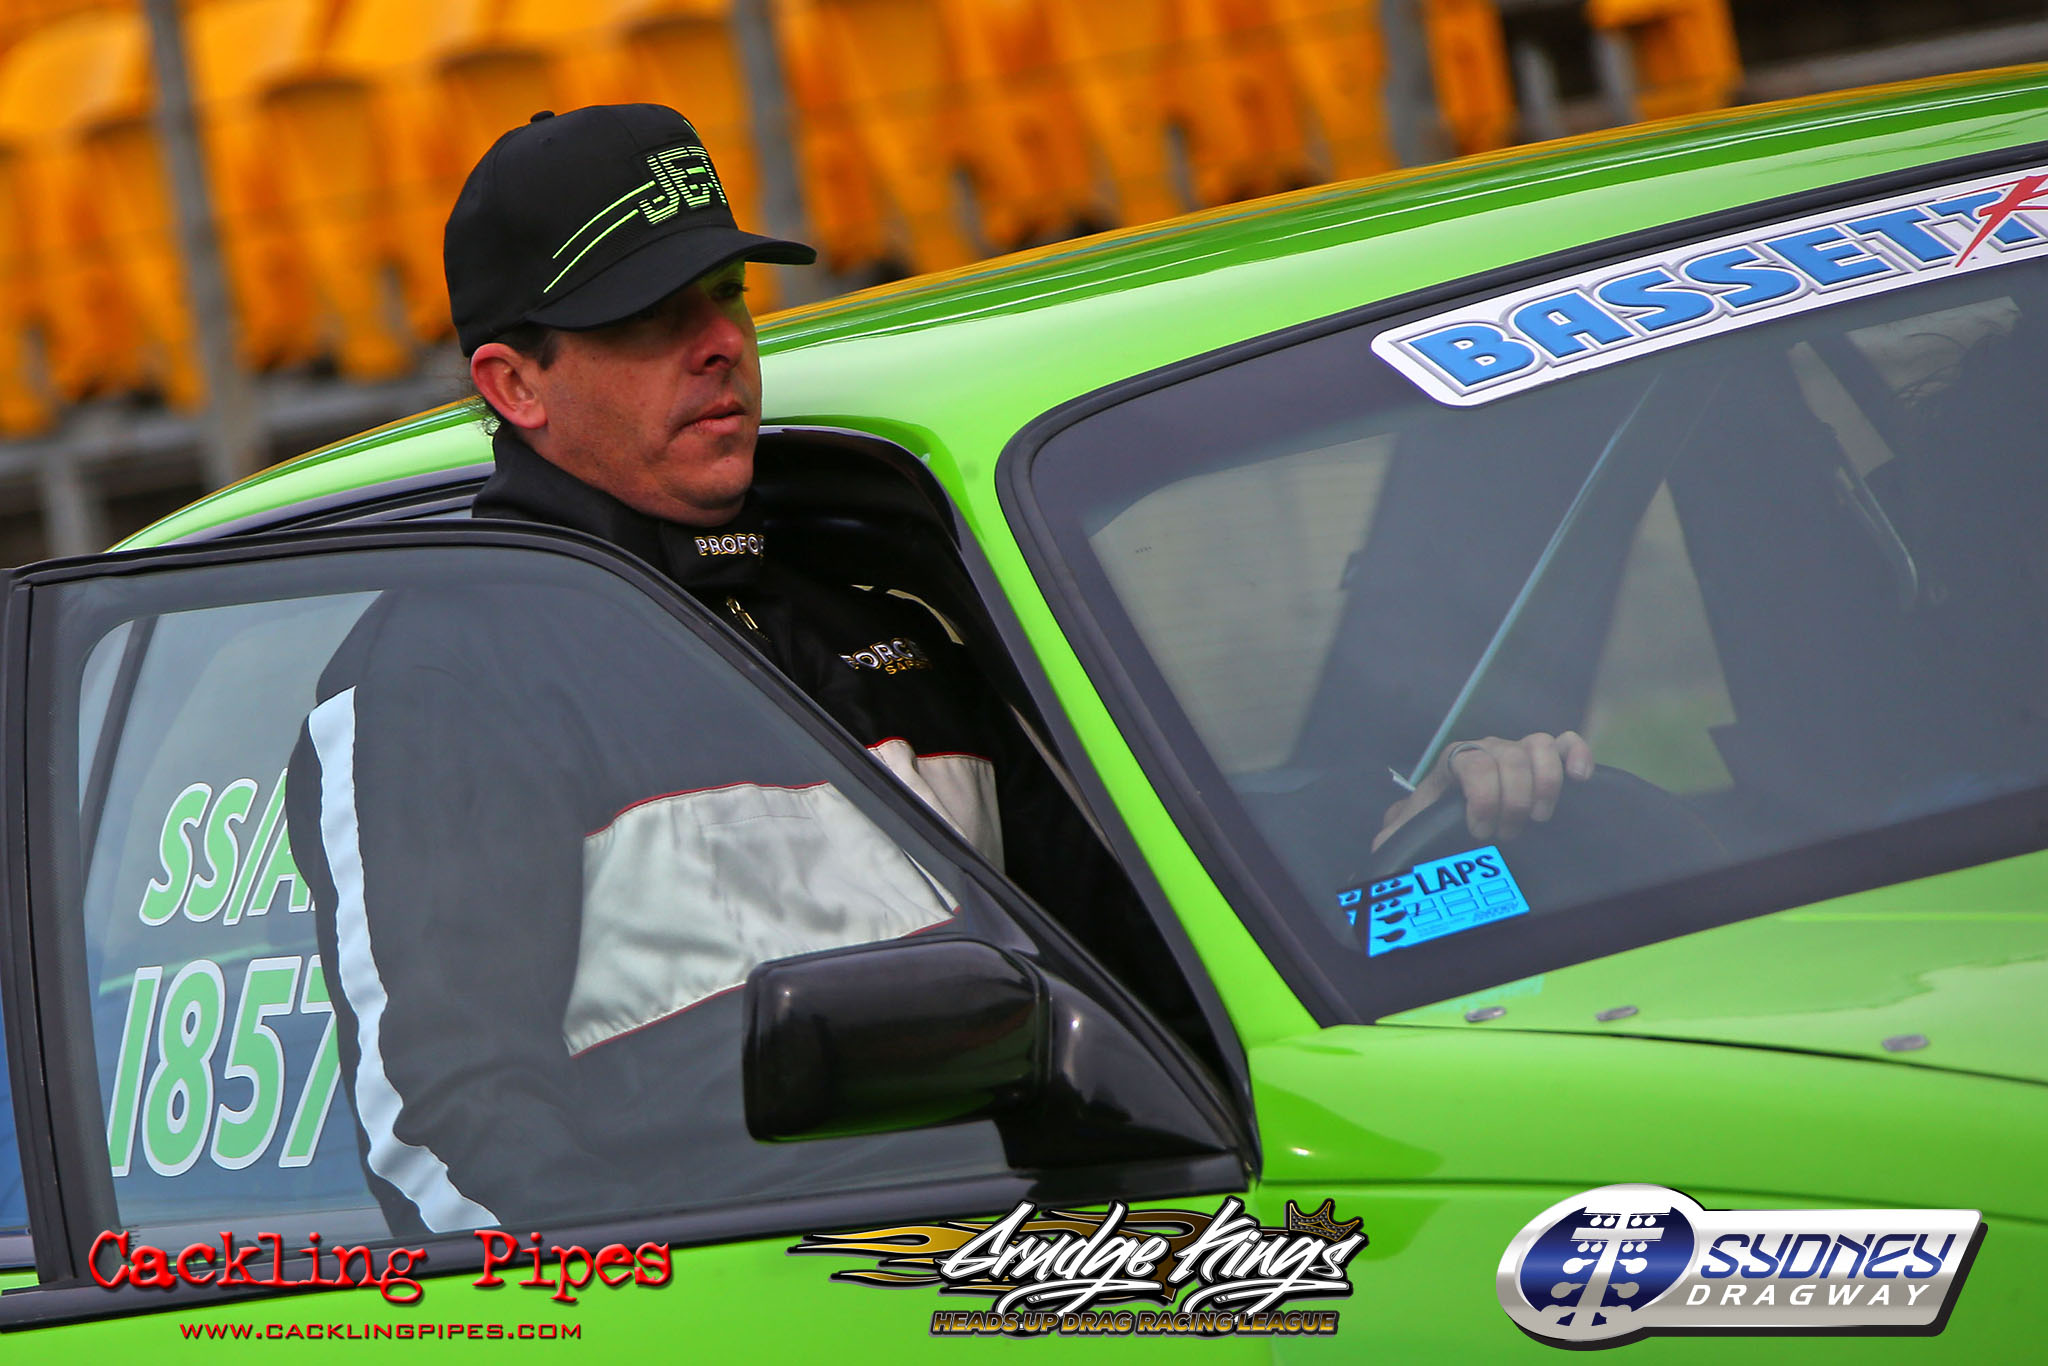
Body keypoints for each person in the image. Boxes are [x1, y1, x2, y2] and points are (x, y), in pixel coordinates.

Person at [289, 104, 1585, 1235]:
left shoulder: (883, 598)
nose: (719, 342)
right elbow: (446, 1132)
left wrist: (1384, 849)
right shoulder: (444, 667)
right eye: (649, 319)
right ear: (514, 385)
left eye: (726, 294)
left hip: (1039, 1256)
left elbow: (1135, 947)